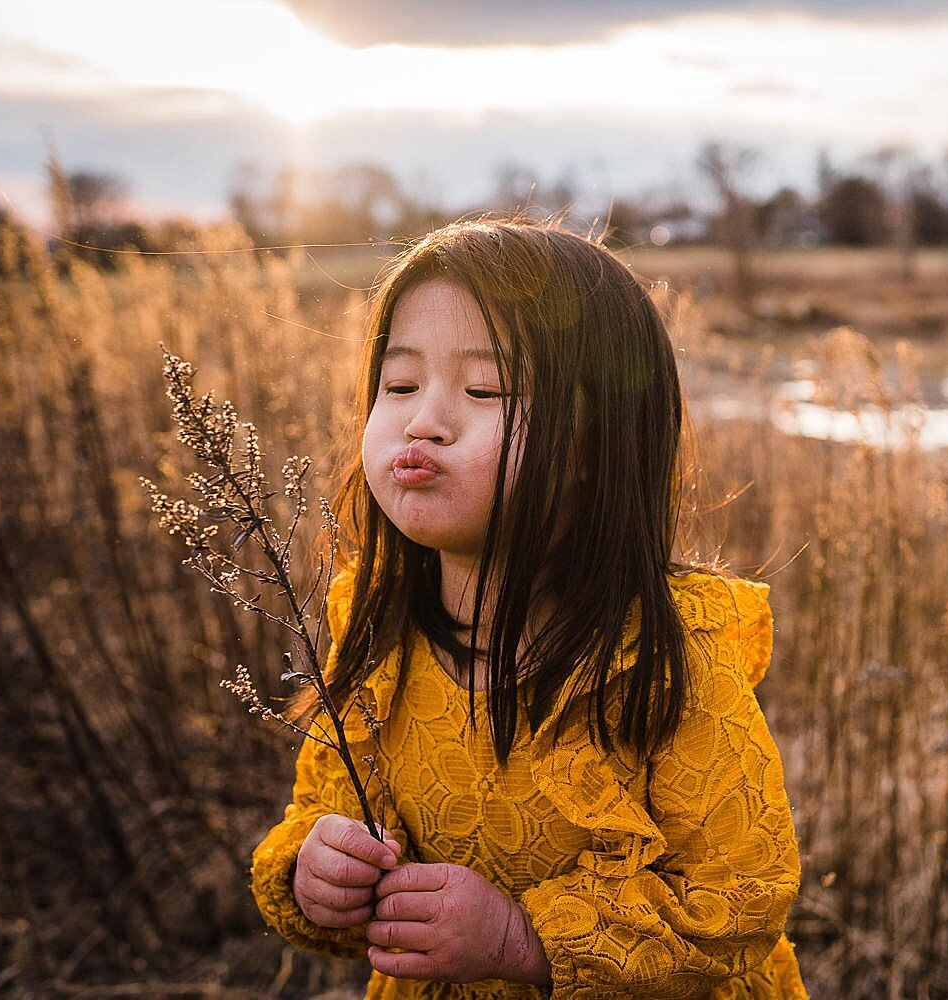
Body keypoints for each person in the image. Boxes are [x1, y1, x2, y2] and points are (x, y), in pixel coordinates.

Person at [248, 218, 806, 998]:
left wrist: (522, 939)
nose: (423, 421)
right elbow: (322, 809)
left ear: (593, 444)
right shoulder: (378, 633)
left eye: (485, 391)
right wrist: (320, 874)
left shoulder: (669, 652)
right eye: (399, 386)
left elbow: (743, 896)